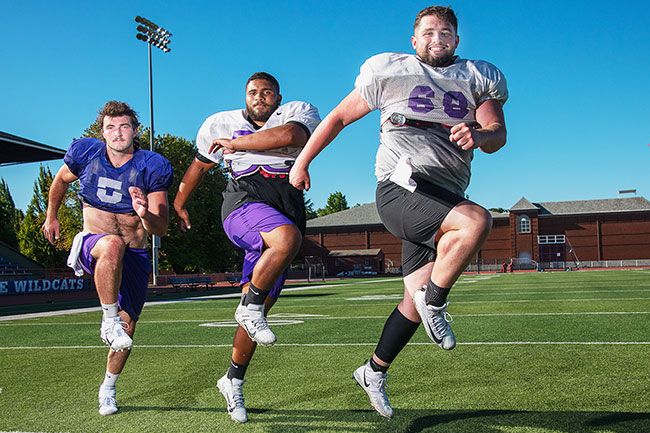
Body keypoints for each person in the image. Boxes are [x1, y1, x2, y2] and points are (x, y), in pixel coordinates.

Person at [290, 6, 508, 418]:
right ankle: (438, 302)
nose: (437, 38)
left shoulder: (477, 76)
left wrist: (478, 135)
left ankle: (374, 370)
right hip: (400, 186)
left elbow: (498, 135)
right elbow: (337, 117)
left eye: (445, 32)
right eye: (428, 32)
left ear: (457, 40)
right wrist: (302, 162)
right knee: (477, 221)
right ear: (414, 40)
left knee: (411, 300)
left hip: (443, 196)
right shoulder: (389, 70)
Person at [173, 72, 320, 423]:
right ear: (245, 96)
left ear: (278, 97)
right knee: (285, 243)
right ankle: (251, 305)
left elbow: (289, 136)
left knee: (257, 312)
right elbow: (199, 165)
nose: (259, 97)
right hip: (243, 201)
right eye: (253, 92)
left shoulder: (298, 113)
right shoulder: (219, 123)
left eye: (267, 92)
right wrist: (179, 203)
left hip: (286, 207)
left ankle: (233, 380)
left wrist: (238, 145)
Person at [42, 101, 173, 416]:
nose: (118, 133)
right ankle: (108, 318)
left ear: (135, 130)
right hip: (94, 244)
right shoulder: (87, 154)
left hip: (136, 254)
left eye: (124, 126)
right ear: (102, 132)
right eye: (111, 127)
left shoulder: (151, 165)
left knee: (126, 333)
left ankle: (108, 388)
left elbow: (162, 227)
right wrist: (52, 216)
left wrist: (143, 213)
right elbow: (60, 180)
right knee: (112, 244)